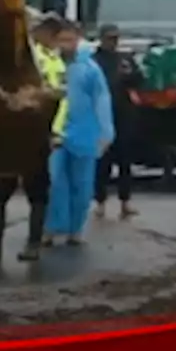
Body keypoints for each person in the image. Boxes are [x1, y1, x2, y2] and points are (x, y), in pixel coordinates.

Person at [0, 15, 63, 262]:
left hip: (35, 132)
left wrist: (54, 132)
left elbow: (55, 100)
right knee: (0, 190)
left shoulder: (48, 60)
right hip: (11, 132)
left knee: (36, 191)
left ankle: (32, 245)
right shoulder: (26, 56)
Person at [45, 21, 114, 246]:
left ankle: (75, 229)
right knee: (54, 180)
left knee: (82, 182)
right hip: (55, 131)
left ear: (79, 39)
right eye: (62, 40)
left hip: (85, 131)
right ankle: (52, 227)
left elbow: (101, 99)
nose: (66, 44)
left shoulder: (89, 68)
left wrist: (105, 132)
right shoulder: (49, 65)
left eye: (70, 39)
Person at [92, 24, 144, 219]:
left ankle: (125, 201)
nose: (113, 42)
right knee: (102, 161)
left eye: (115, 38)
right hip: (101, 115)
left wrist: (130, 73)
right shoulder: (94, 60)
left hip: (124, 115)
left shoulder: (125, 58)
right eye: (109, 38)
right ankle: (100, 201)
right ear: (102, 39)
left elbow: (140, 79)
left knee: (125, 160)